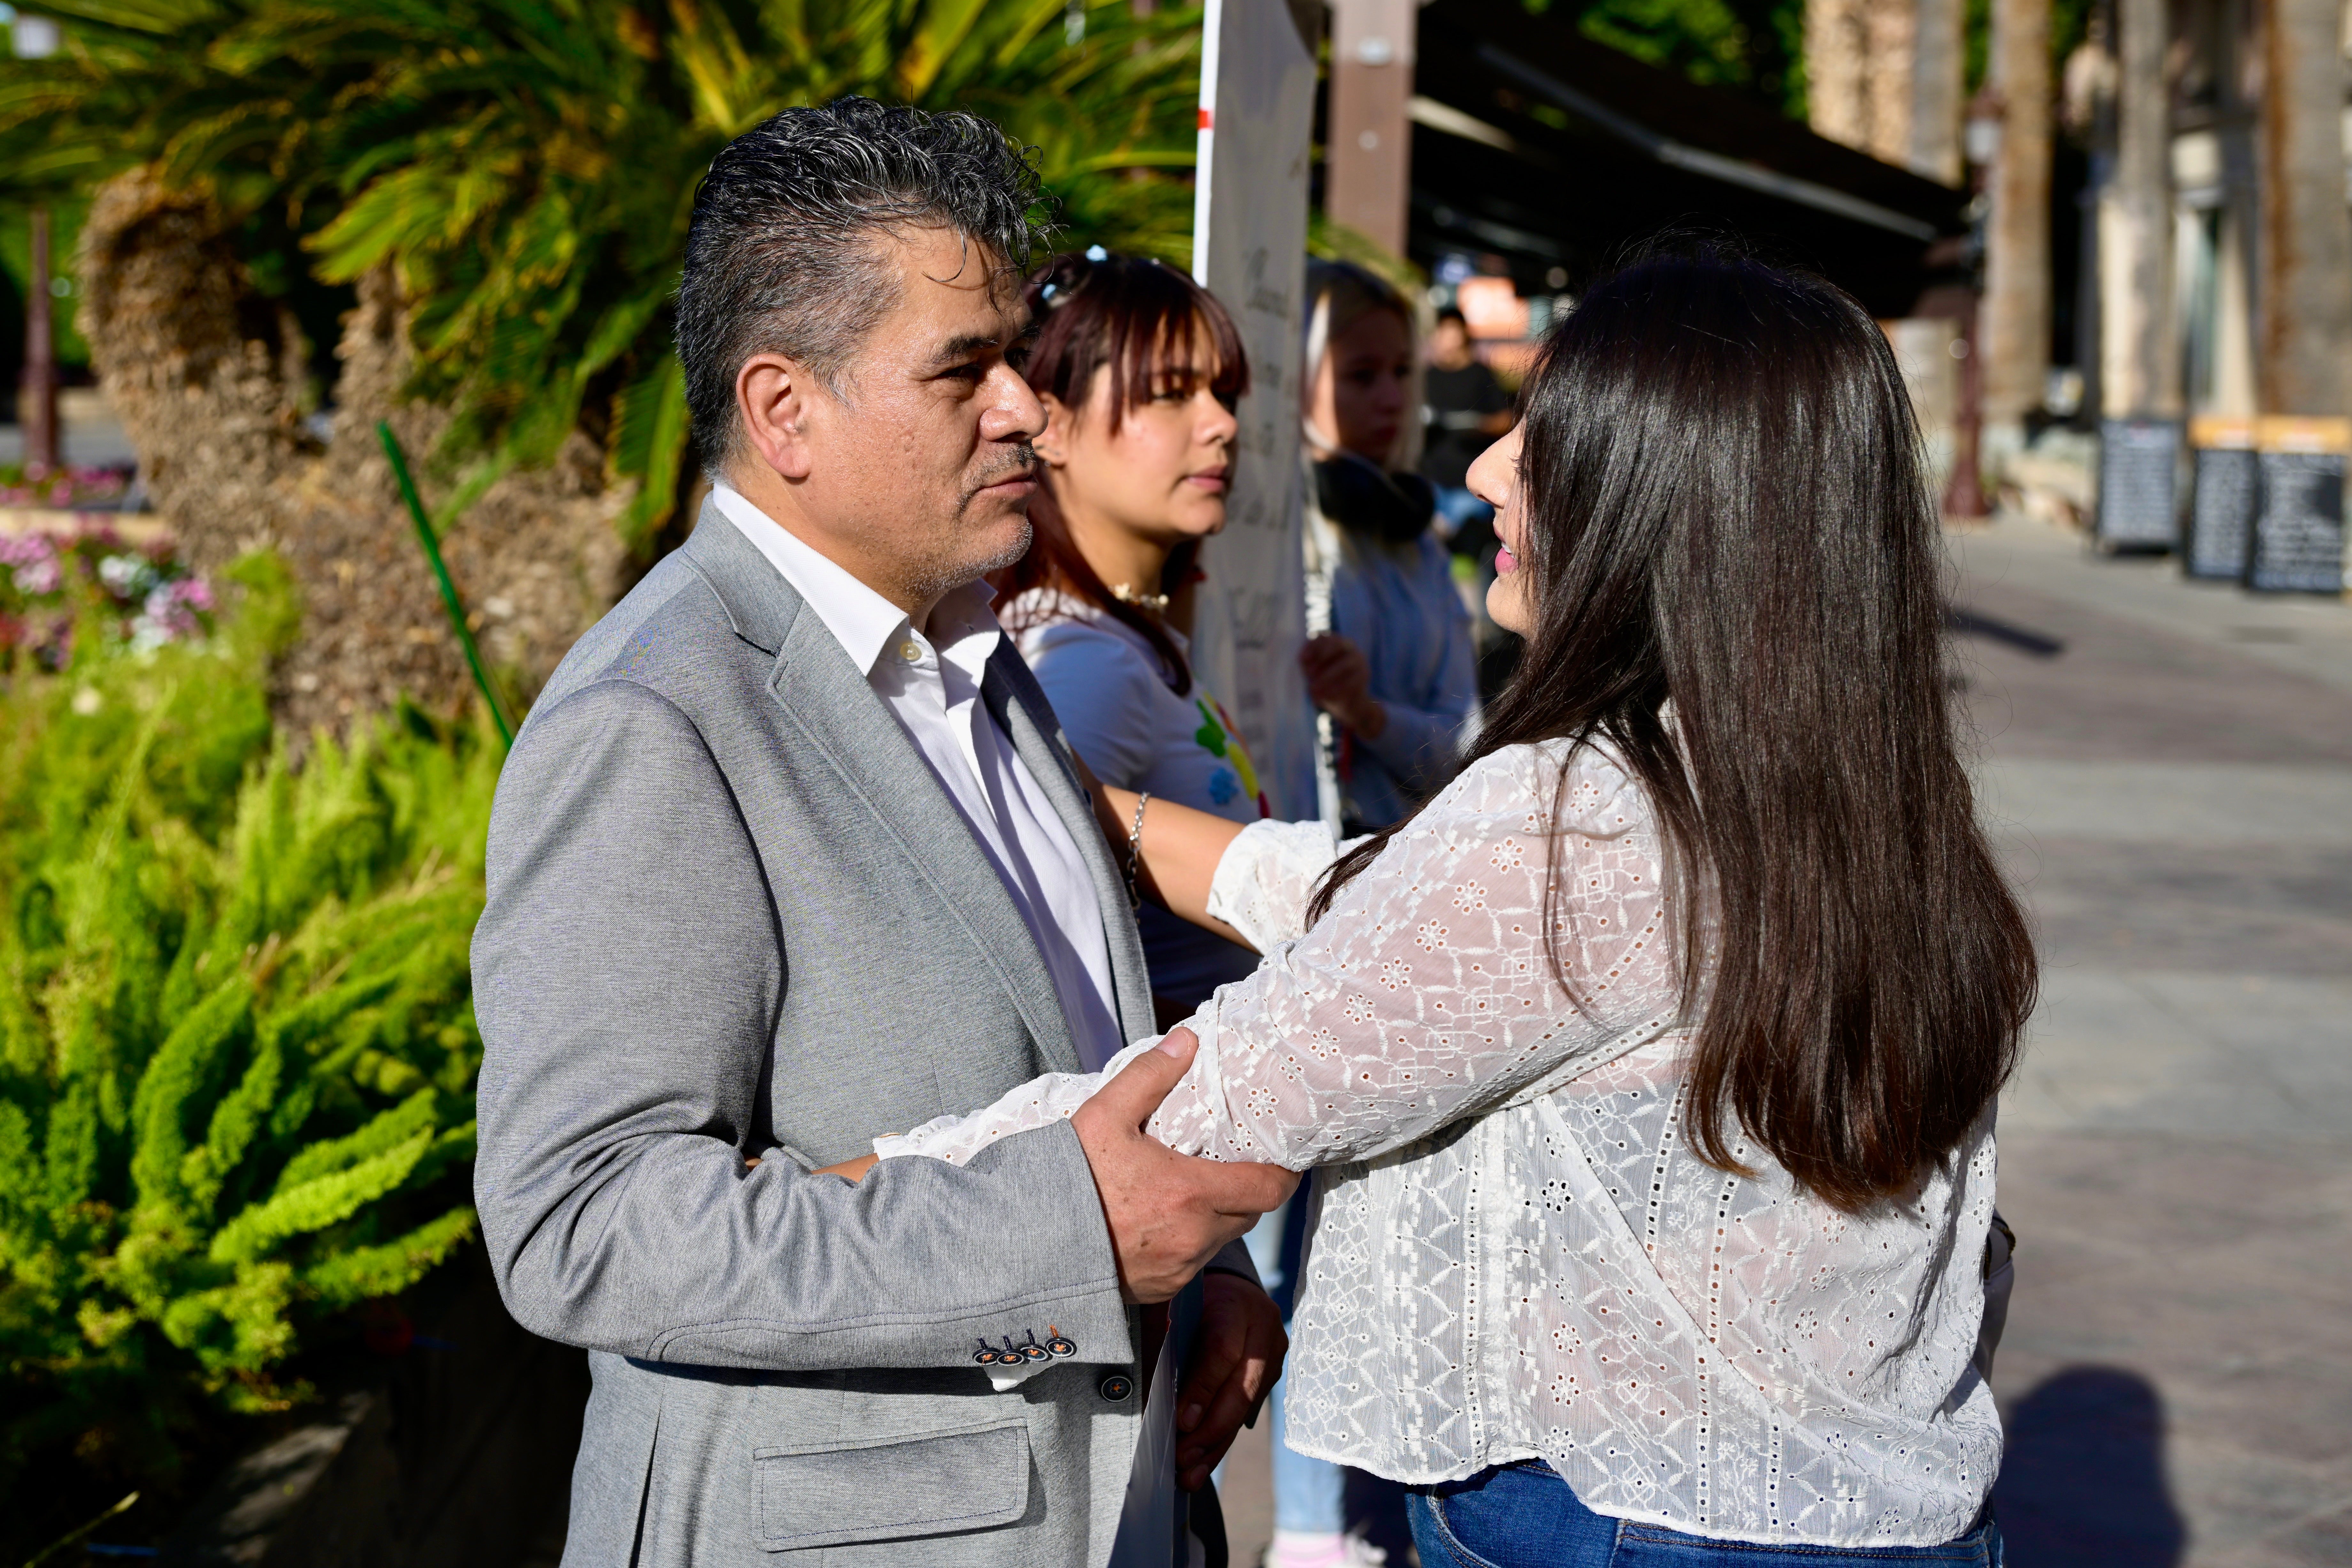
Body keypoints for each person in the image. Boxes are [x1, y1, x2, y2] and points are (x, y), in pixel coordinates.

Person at [858, 247, 2039, 1566]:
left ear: (1666, 500)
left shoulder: (1578, 812)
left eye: (1542, 440)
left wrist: (801, 1200)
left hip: (1636, 1525)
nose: (1483, 473)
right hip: (1883, 1509)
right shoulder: (1846, 780)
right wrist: (1089, 805)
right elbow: (1391, 911)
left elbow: (1212, 1094)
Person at [469, 98, 1293, 1568]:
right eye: (963, 372)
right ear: (784, 409)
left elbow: (1067, 1049)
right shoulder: (658, 718)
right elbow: (580, 1224)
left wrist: (1201, 1271)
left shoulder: (971, 652)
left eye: (1017, 366)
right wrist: (1068, 1248)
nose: (1022, 414)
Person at [994, 249, 1268, 1030]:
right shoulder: (1084, 660)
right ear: (1048, 422)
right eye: (1170, 394)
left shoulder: (1122, 636)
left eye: (1224, 392)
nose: (1221, 424)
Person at [1298, 261, 1477, 837]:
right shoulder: (1259, 538)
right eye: (1362, 375)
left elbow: (1464, 740)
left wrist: (1370, 716)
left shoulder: (1418, 543)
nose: (1393, 397)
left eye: (1403, 371)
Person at [1418, 303, 1513, 547]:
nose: (1446, 339)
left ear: (1463, 334)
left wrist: (1480, 425)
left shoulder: (1481, 374)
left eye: (1452, 331)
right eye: (1441, 332)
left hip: (1469, 486)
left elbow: (1506, 419)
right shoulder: (1426, 376)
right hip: (1433, 482)